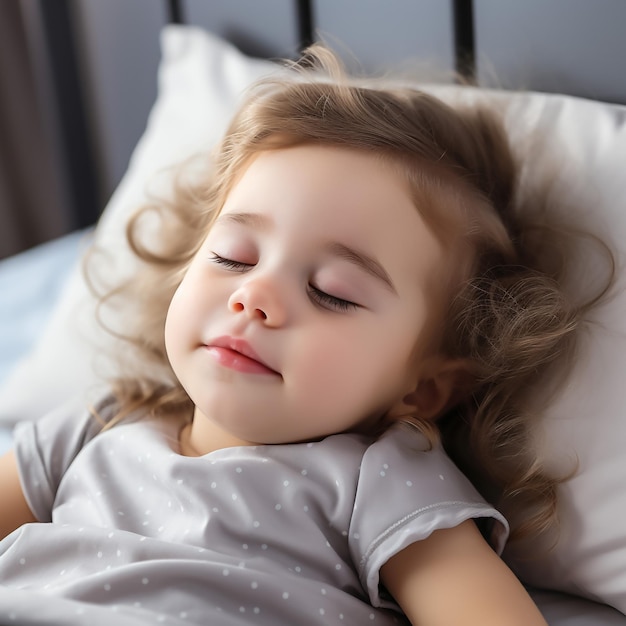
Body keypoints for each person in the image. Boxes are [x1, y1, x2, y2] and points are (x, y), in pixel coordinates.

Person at [0, 45, 604, 625]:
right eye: (234, 257)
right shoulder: (100, 422)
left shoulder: (378, 481)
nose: (254, 296)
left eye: (333, 292)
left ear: (423, 389)